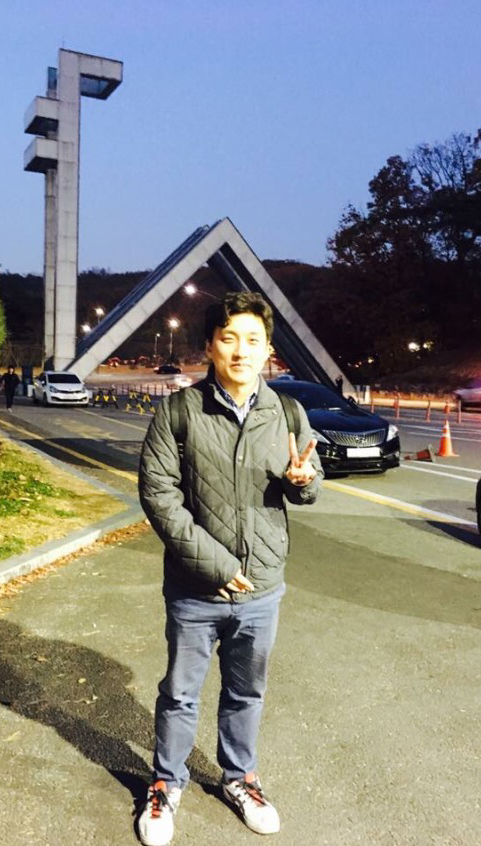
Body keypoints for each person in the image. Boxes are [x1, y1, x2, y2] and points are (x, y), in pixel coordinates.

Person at [137, 292, 323, 845]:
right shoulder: (179, 411)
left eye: (252, 340)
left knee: (246, 693)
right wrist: (216, 566)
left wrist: (304, 481)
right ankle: (166, 782)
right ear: (210, 347)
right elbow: (159, 495)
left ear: (268, 350)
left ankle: (240, 778)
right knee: (181, 693)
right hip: (196, 589)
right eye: (228, 338)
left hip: (262, 589)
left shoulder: (286, 412)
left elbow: (308, 482)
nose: (241, 351)